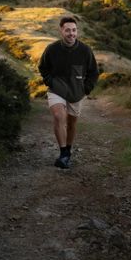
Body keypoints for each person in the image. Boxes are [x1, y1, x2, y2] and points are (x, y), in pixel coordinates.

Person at [38, 16, 99, 169]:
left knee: (71, 123)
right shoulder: (52, 49)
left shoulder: (85, 50)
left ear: (76, 31)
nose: (71, 33)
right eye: (67, 30)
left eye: (74, 30)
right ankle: (63, 153)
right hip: (56, 90)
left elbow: (93, 72)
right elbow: (43, 67)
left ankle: (68, 151)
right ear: (61, 31)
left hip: (76, 93)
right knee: (59, 116)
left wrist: (86, 89)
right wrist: (50, 81)